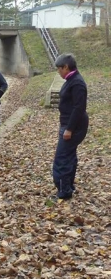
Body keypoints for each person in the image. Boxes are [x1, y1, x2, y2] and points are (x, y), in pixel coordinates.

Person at [52, 53, 89, 200]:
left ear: (66, 67)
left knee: (62, 159)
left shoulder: (77, 83)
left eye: (59, 69)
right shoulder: (71, 80)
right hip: (69, 124)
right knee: (70, 155)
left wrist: (69, 129)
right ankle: (68, 186)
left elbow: (79, 108)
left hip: (74, 126)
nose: (58, 72)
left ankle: (64, 191)